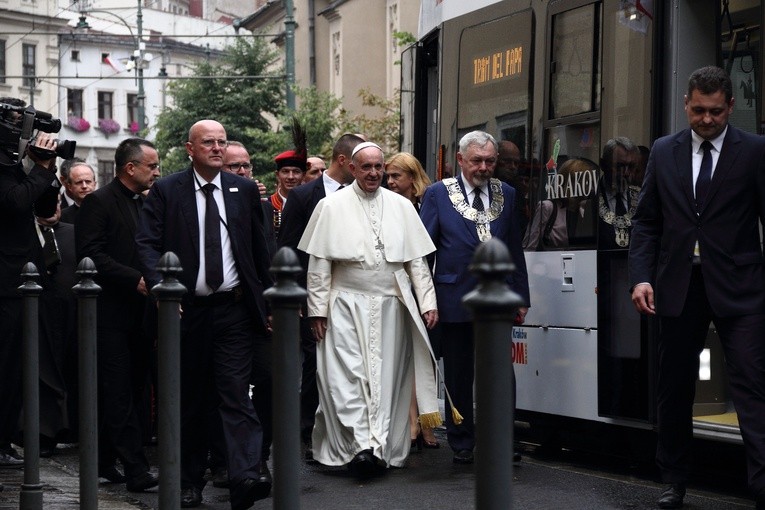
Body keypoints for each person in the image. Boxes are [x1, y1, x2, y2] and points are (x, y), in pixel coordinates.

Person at [629, 66, 765, 510]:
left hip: (742, 288)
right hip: (678, 287)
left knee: (752, 384)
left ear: (730, 107)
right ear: (686, 104)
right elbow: (647, 221)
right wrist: (642, 277)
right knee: (675, 387)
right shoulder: (665, 152)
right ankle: (673, 479)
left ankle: (762, 483)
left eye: (716, 112)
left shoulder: (755, 152)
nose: (707, 120)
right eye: (699, 110)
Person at [136, 120, 273, 509]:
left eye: (221, 142)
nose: (216, 148)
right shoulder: (166, 190)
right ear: (190, 148)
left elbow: (259, 251)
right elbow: (146, 244)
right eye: (208, 142)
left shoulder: (243, 190)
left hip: (232, 309)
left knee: (235, 393)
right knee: (189, 400)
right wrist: (162, 289)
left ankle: (245, 473)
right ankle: (188, 481)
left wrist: (264, 303)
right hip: (186, 312)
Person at [297, 141, 441, 478]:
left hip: (391, 304)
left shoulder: (402, 207)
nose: (374, 173)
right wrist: (317, 310)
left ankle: (378, 448)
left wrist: (427, 302)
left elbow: (416, 262)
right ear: (352, 168)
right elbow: (319, 264)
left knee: (386, 379)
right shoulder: (331, 207)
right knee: (346, 378)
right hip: (344, 302)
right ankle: (358, 445)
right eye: (367, 167)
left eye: (379, 167)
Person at [420, 130, 530, 465]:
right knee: (459, 373)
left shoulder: (507, 193)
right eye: (477, 161)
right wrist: (425, 300)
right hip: (453, 296)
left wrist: (521, 295)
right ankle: (462, 441)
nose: (484, 168)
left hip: (498, 300)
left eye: (490, 161)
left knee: (500, 374)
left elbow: (514, 247)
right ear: (461, 160)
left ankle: (501, 439)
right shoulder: (438, 194)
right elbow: (425, 250)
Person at [75, 138, 160, 490]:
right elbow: (91, 254)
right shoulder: (99, 201)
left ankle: (105, 461)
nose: (156, 172)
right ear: (131, 168)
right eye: (152, 166)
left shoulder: (145, 202)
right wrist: (134, 279)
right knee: (118, 391)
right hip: (109, 313)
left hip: (140, 314)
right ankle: (136, 471)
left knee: (135, 388)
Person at [278, 133, 365, 461]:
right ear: (344, 161)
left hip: (356, 295)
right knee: (316, 366)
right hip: (315, 296)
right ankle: (309, 434)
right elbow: (289, 250)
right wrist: (301, 299)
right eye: (359, 161)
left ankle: (351, 434)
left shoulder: (365, 195)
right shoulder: (302, 197)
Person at [0, 96, 61, 467]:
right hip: (5, 284)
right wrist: (38, 169)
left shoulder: (17, 166)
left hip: (24, 282)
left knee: (21, 364)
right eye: (22, 125)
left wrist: (45, 169)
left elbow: (42, 209)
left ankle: (10, 436)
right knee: (5, 364)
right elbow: (13, 204)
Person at [384, 151, 439, 449]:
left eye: (396, 176)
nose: (390, 182)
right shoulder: (387, 207)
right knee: (406, 355)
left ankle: (425, 422)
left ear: (412, 177)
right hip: (400, 288)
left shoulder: (427, 205)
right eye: (388, 176)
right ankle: (411, 422)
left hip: (428, 286)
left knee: (425, 357)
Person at [523, 158, 598, 249]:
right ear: (572, 183)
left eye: (590, 183)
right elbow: (530, 246)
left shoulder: (584, 210)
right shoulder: (548, 207)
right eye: (586, 182)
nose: (590, 188)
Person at [598, 137, 640, 250]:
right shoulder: (589, 199)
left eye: (631, 167)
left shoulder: (641, 198)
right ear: (603, 165)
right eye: (620, 166)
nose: (626, 173)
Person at [270, 145, 307, 238]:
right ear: (277, 175)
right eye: (285, 171)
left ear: (304, 175)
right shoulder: (267, 204)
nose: (290, 177)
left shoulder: (310, 204)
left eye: (296, 171)